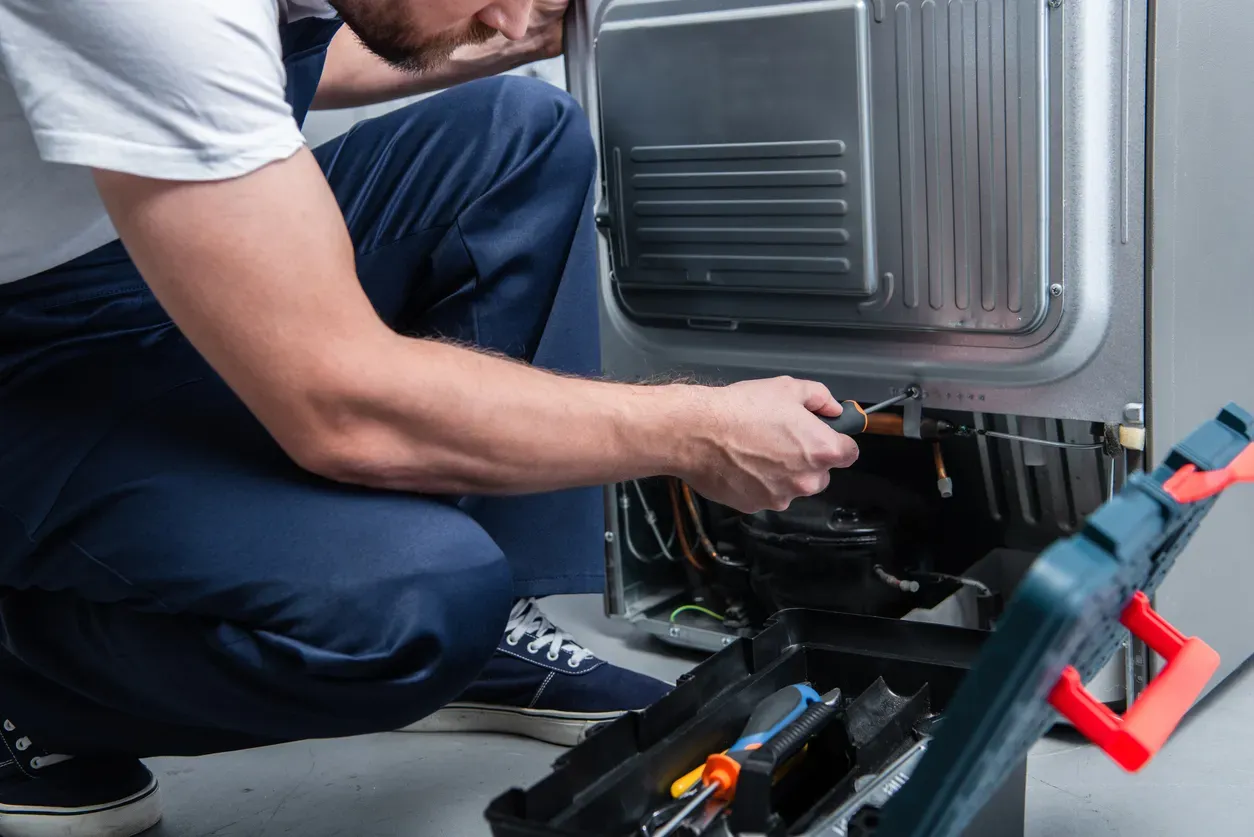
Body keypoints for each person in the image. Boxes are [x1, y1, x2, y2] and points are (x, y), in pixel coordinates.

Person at [0, 1, 860, 834]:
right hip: (28, 357)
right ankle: (22, 683)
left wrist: (485, 41)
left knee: (517, 133)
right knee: (411, 610)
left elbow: (256, 64)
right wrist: (691, 429)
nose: (522, 20)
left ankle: (493, 639)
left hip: (124, 265)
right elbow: (340, 407)